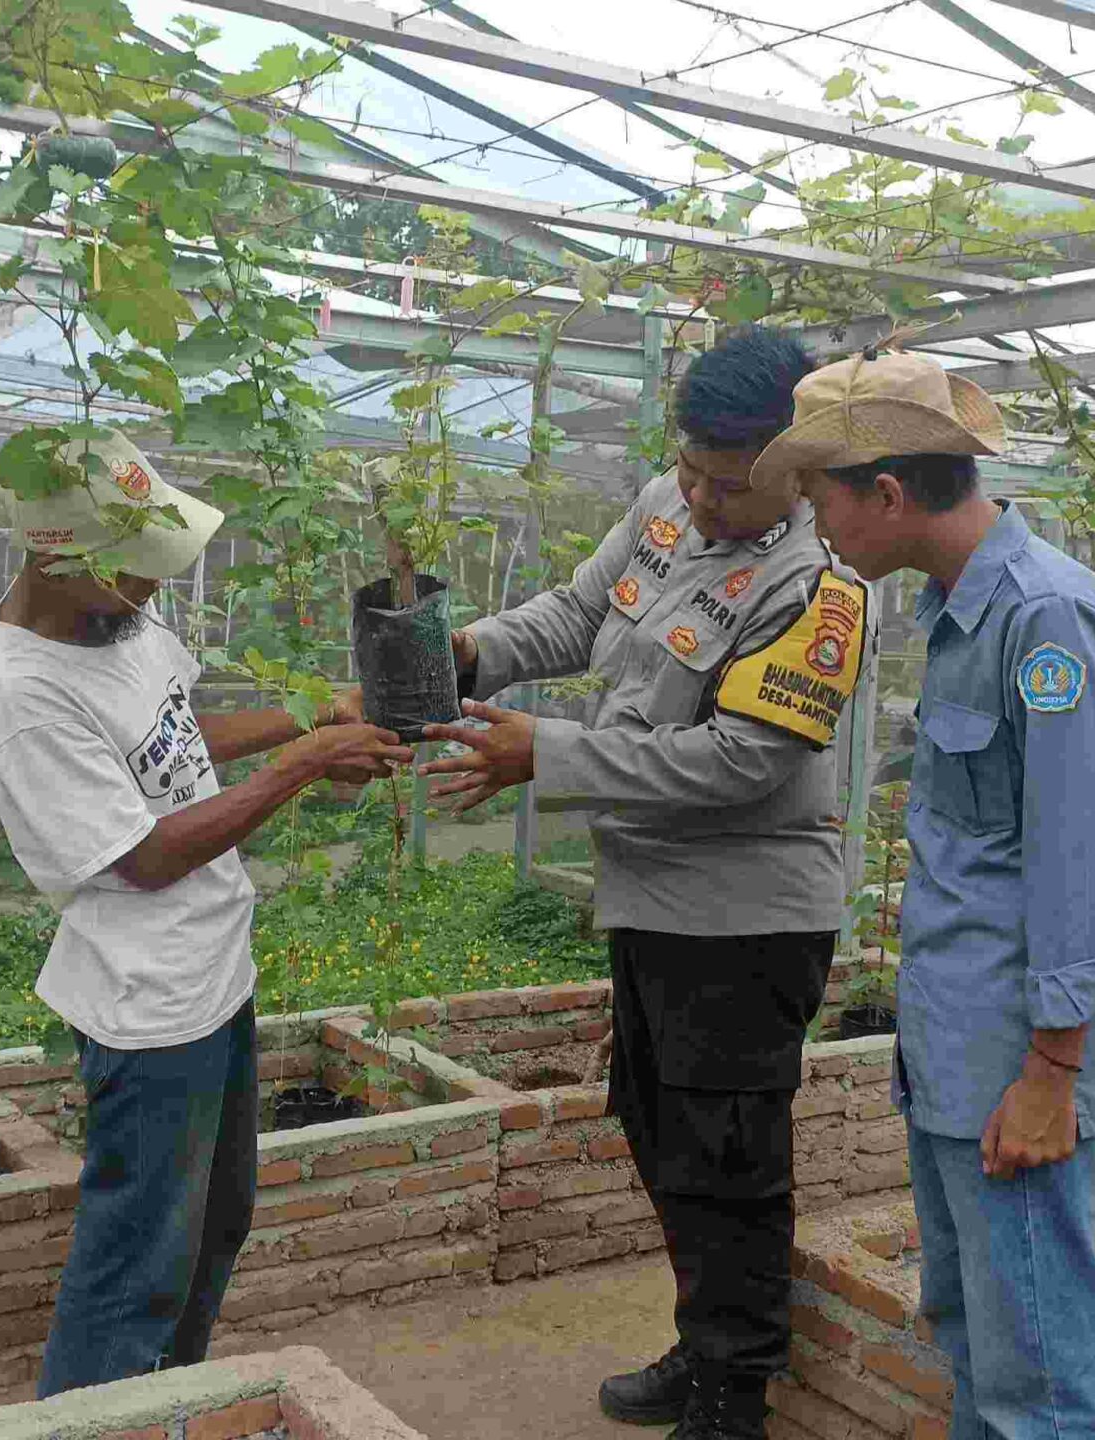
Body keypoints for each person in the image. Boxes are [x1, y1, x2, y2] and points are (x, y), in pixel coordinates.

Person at [418, 327, 870, 1440]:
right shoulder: (664, 506)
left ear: (797, 470)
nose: (708, 504)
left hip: (744, 918)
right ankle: (704, 1342)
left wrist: (548, 755)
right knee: (663, 1134)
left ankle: (737, 1392)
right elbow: (575, 616)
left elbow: (741, 762)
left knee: (729, 1155)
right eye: (696, 476)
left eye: (736, 488)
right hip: (653, 901)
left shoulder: (820, 585)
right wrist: (467, 651)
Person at [0, 434, 412, 1398]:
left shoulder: (115, 628)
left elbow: (173, 735)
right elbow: (147, 854)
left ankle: (167, 1403)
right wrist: (300, 768)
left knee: (215, 1224)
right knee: (136, 1268)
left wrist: (306, 716)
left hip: (214, 979)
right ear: (59, 556)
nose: (153, 592)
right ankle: (95, 1417)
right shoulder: (25, 694)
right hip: (150, 1011)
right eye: (136, 572)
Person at [777, 351, 1095, 1440]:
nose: (818, 525)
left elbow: (1085, 861)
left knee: (1043, 1377)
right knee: (978, 1339)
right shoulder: (954, 612)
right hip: (955, 1051)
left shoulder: (1045, 622)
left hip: (1014, 1067)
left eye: (820, 499)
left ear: (885, 495)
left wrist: (1051, 1072)